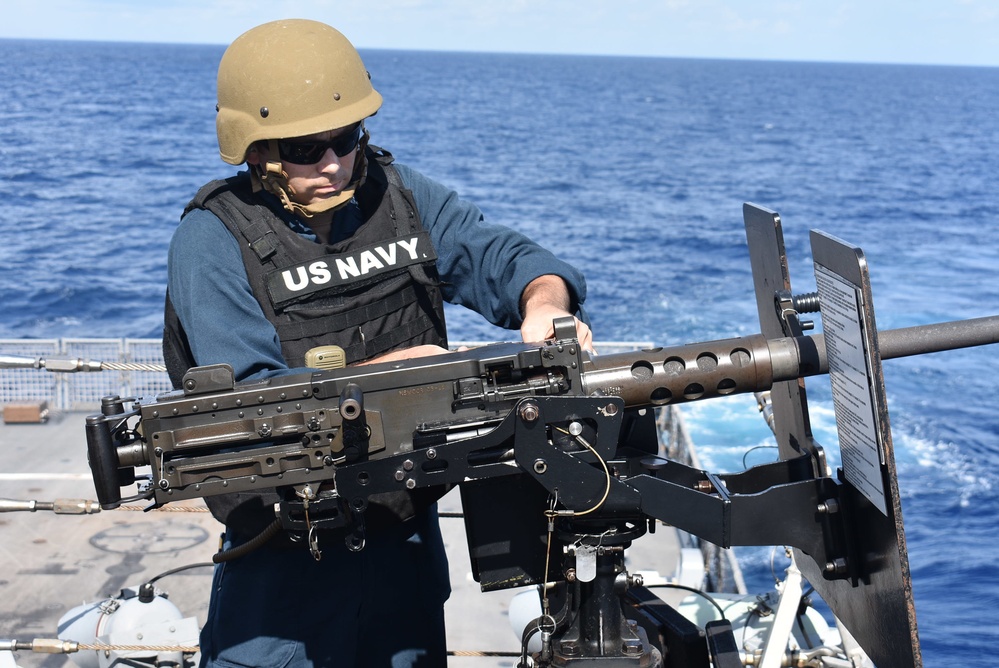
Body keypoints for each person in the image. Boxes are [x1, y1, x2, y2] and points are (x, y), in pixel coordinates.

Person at [163, 18, 592, 668]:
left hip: (402, 547)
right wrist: (400, 378)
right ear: (255, 149)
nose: (334, 163)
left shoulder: (398, 197)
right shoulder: (212, 243)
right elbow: (249, 406)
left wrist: (544, 300)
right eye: (307, 148)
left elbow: (495, 252)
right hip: (284, 569)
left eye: (347, 140)